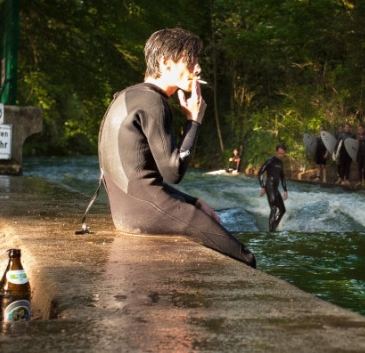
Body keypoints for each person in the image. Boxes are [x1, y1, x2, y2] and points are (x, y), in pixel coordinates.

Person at [97, 27, 256, 267]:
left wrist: (192, 202)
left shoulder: (127, 96)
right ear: (165, 62)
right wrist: (194, 121)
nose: (198, 68)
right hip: (146, 215)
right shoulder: (154, 103)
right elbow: (173, 172)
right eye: (190, 61)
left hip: (126, 214)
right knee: (244, 258)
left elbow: (141, 179)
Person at [258, 144, 289, 232]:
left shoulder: (280, 163)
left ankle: (273, 227)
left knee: (282, 210)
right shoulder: (270, 161)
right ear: (276, 152)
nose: (281, 155)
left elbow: (282, 177)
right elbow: (260, 173)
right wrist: (262, 187)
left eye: (283, 154)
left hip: (275, 188)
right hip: (269, 186)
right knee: (274, 208)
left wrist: (285, 190)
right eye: (279, 153)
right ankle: (272, 232)